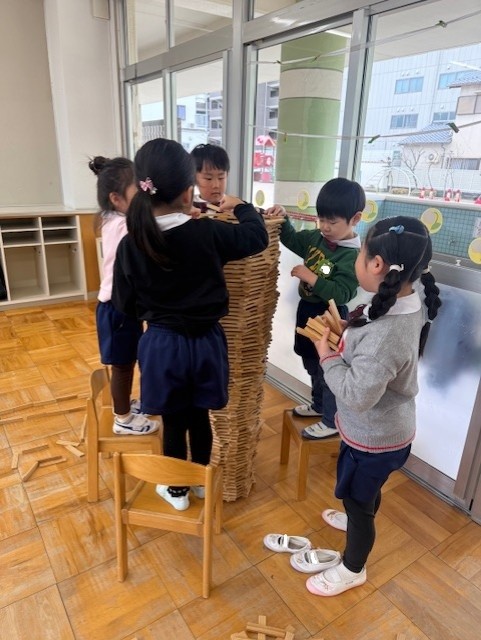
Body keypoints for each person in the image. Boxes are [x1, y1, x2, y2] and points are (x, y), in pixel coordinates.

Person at [111, 137, 269, 511]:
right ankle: (200, 482)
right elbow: (257, 236)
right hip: (207, 342)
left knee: (173, 421)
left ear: (142, 189)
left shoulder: (131, 244)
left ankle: (176, 490)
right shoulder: (207, 232)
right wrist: (242, 206)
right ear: (188, 191)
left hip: (162, 346)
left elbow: (125, 305)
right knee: (200, 415)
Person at [303, 216, 441, 596]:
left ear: (377, 264)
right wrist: (347, 336)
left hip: (374, 438)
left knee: (358, 501)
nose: (358, 260)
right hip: (381, 430)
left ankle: (353, 568)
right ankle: (355, 515)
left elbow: (355, 395)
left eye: (361, 254)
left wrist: (327, 356)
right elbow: (371, 355)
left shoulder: (385, 336)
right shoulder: (403, 300)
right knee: (364, 493)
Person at [278, 178, 364, 439]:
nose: (325, 227)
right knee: (311, 364)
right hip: (307, 311)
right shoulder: (317, 237)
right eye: (321, 219)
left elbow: (343, 293)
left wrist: (312, 278)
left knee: (329, 370)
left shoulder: (352, 256)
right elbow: (291, 239)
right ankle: (318, 406)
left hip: (330, 319)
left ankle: (331, 420)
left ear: (355, 219)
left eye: (332, 222)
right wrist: (282, 218)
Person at [89, 156, 159, 436]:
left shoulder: (113, 217)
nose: (145, 196)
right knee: (123, 366)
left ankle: (126, 407)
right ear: (116, 199)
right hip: (115, 308)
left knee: (128, 361)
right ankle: (123, 419)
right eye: (138, 191)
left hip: (122, 306)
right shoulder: (122, 225)